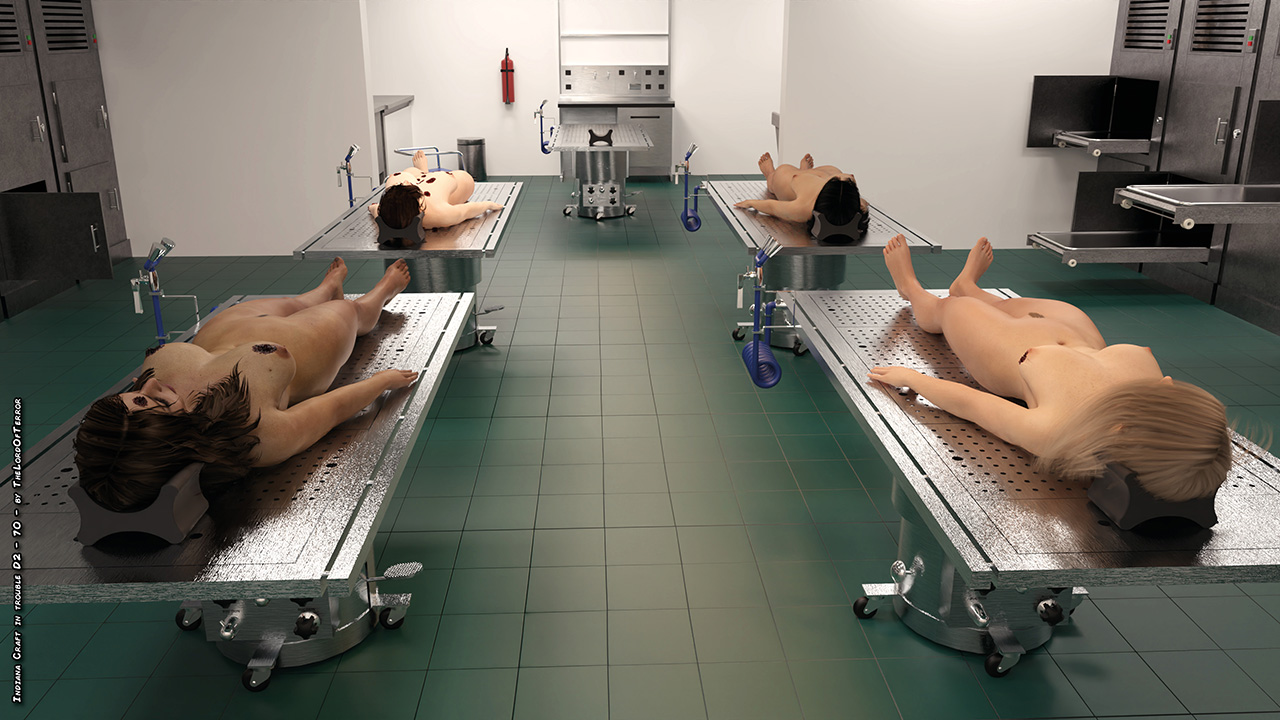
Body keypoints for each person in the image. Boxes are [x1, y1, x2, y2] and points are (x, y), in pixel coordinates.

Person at [867, 235, 1232, 502]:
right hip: (1072, 329)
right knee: (1010, 306)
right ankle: (968, 286)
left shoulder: (1055, 432)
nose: (1167, 382)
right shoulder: (1156, 393)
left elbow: (973, 405)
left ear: (1124, 433)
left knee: (949, 310)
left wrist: (914, 379)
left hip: (1004, 351)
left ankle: (912, 289)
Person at [74, 258, 420, 512]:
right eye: (148, 402)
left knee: (299, 302)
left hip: (231, 327)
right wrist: (380, 382)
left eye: (133, 394)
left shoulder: (153, 388)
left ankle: (325, 289)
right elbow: (328, 411)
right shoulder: (256, 435)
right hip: (309, 345)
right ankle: (383, 290)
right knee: (353, 312)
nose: (148, 386)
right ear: (166, 436)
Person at [368, 150, 504, 234]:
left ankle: (422, 172)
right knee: (466, 180)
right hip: (443, 185)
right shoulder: (440, 214)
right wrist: (488, 204)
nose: (406, 182)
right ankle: (423, 172)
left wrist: (372, 207)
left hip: (415, 183)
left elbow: (375, 210)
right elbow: (467, 211)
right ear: (420, 207)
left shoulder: (386, 212)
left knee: (408, 173)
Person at [734, 151, 868, 234]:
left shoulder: (803, 208)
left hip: (793, 179)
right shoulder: (850, 188)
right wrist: (862, 204)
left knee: (777, 178)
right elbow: (863, 203)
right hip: (822, 174)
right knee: (812, 175)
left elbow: (772, 207)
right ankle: (805, 171)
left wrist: (752, 203)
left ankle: (770, 176)